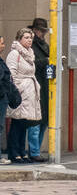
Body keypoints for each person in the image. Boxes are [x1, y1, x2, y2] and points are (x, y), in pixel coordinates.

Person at [6, 29, 41, 166]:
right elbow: (11, 74)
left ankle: (22, 151)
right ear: (19, 38)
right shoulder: (14, 54)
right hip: (20, 93)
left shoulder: (30, 54)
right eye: (26, 37)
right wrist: (18, 90)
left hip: (30, 93)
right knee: (17, 123)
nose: (29, 40)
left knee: (24, 124)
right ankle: (14, 153)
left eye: (31, 38)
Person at [27, 18, 50, 162]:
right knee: (35, 121)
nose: (42, 34)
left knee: (43, 120)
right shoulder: (31, 47)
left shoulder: (45, 46)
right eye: (40, 31)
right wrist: (47, 61)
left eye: (43, 31)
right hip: (35, 86)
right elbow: (31, 64)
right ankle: (34, 151)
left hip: (44, 85)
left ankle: (36, 150)